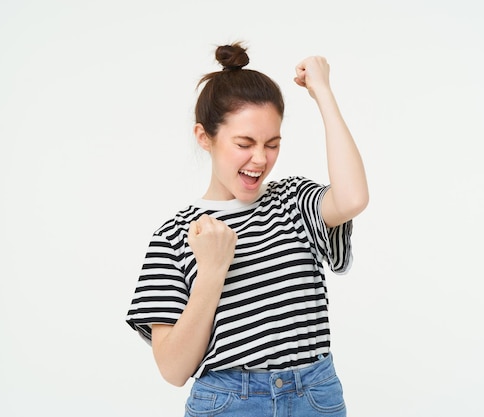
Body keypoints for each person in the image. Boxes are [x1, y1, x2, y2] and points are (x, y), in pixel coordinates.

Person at [125, 41, 369, 417]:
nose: (260, 159)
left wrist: (322, 92)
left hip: (314, 397)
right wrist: (212, 270)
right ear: (205, 137)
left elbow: (352, 197)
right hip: (227, 404)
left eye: (272, 144)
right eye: (244, 143)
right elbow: (173, 370)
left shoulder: (294, 201)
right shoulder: (173, 237)